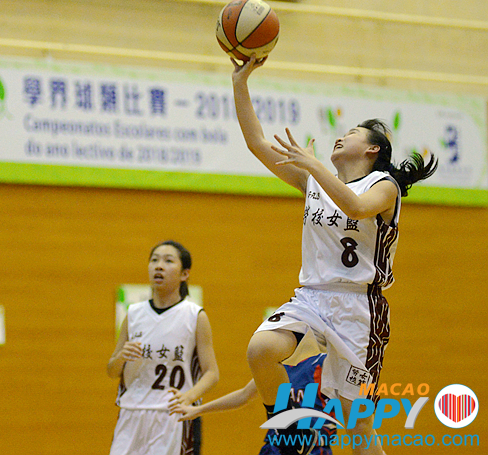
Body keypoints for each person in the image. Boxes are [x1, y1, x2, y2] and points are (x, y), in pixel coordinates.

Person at [232, 55, 437, 455]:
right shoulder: (314, 180)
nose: (340, 138)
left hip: (360, 309)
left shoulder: (384, 186)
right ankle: (292, 432)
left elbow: (356, 208)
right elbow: (256, 143)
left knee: (358, 429)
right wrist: (240, 82)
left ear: (373, 148)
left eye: (351, 133)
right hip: (311, 297)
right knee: (260, 349)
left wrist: (313, 166)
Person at [107, 240, 220, 455]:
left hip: (173, 416)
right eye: (154, 260)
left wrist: (189, 397)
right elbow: (112, 371)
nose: (159, 266)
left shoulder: (195, 315)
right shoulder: (133, 314)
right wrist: (121, 357)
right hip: (132, 413)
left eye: (168, 261)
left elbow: (212, 373)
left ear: (184, 274)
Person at [169, 354, 334, 455]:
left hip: (312, 448)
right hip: (275, 448)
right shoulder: (278, 367)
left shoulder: (325, 364)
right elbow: (244, 395)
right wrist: (198, 409)